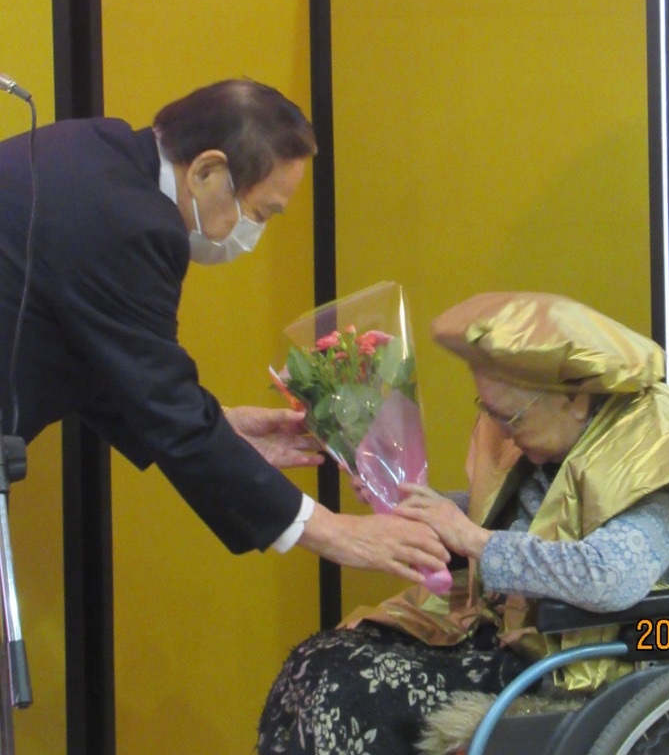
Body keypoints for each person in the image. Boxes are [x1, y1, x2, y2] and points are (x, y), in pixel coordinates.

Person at [258, 290, 669, 755]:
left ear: (576, 398)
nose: (500, 431)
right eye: (490, 412)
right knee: (315, 659)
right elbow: (516, 520)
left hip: (601, 663)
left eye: (510, 417)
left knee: (345, 688)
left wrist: (473, 539)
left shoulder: (665, 455)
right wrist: (417, 504)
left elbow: (610, 577)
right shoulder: (556, 439)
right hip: (517, 639)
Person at [0, 78, 448, 580]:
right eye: (260, 212)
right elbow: (161, 398)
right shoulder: (132, 224)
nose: (254, 233)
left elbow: (103, 356)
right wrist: (332, 531)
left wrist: (224, 428)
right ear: (207, 171)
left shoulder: (94, 149)